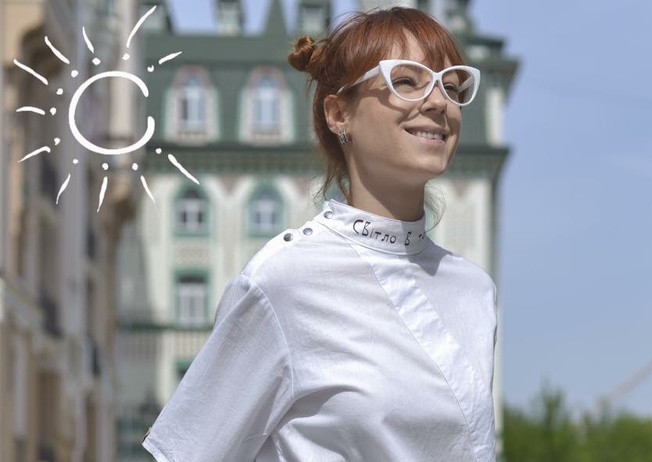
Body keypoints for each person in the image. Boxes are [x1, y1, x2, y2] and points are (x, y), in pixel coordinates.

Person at [142, 6, 497, 462]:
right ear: (339, 113)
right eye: (406, 81)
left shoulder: (474, 291)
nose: (437, 102)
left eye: (452, 85)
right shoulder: (285, 280)